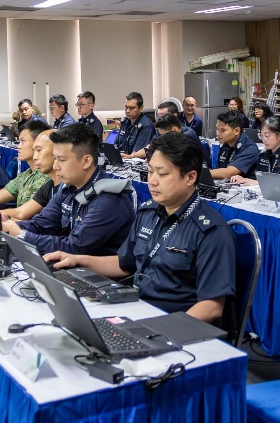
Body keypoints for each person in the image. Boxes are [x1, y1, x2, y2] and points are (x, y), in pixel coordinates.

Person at [45, 133, 236, 322]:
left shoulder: (210, 230)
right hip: (136, 307)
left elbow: (212, 306)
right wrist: (77, 259)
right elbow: (123, 264)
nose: (152, 181)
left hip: (174, 323)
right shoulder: (148, 213)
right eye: (150, 171)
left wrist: (160, 330)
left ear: (190, 177)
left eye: (162, 174)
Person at [0, 124, 135, 256]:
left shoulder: (107, 200)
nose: (56, 166)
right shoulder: (69, 189)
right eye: (55, 158)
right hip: (73, 268)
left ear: (86, 161)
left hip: (104, 279)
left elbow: (74, 246)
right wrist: (6, 225)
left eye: (62, 160)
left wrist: (21, 234)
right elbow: (41, 225)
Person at [231, 116, 280, 185]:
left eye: (267, 136)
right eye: (261, 135)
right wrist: (242, 178)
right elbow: (254, 177)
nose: (263, 139)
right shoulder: (263, 154)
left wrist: (257, 183)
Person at [125, 101, 190, 159]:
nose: (159, 118)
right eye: (158, 115)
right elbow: (150, 148)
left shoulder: (188, 135)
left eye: (162, 115)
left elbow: (179, 157)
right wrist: (131, 156)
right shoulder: (162, 130)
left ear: (174, 116)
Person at [210, 109, 258, 180]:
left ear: (236, 131)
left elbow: (229, 173)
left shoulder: (249, 148)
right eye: (217, 129)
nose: (218, 133)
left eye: (223, 130)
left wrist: (201, 173)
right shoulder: (225, 144)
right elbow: (219, 169)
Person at [117, 91, 155, 157]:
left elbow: (136, 153)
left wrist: (128, 157)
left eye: (132, 108)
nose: (128, 111)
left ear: (141, 108)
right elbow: (115, 145)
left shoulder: (146, 126)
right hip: (121, 160)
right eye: (126, 107)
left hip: (134, 163)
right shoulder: (125, 122)